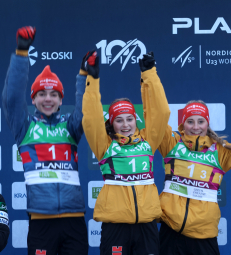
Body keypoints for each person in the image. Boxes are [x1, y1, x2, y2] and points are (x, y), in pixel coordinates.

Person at [158, 84, 231, 255]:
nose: (195, 127)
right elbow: (157, 115)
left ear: (207, 124)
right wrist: (149, 75)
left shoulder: (220, 152)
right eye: (190, 121)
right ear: (182, 124)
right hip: (170, 232)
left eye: (201, 121)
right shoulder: (172, 144)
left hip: (204, 234)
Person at [2, 26, 88, 255]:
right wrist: (22, 53)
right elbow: (12, 98)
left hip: (75, 218)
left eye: (54, 94)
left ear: (61, 100)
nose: (47, 99)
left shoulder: (71, 126)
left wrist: (83, 76)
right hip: (41, 220)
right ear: (33, 99)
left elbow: (86, 109)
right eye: (41, 94)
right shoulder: (25, 126)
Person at [82, 51, 170, 255]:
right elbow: (91, 118)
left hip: (146, 224)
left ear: (135, 120)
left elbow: (161, 112)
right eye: (119, 120)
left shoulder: (148, 141)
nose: (125, 124)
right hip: (116, 226)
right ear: (111, 123)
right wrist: (92, 78)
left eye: (129, 119)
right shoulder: (105, 145)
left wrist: (149, 74)